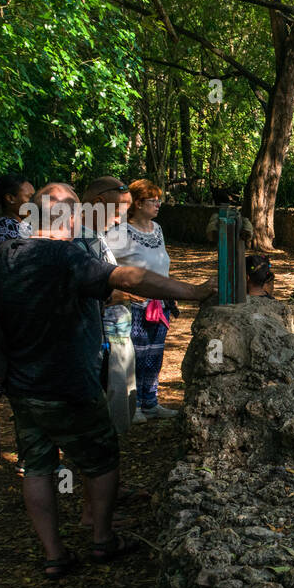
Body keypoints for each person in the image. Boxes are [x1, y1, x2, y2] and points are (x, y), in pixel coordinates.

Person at [0, 183, 214, 579]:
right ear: (70, 217)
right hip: (69, 381)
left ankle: (54, 554)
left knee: (39, 466)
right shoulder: (67, 257)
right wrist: (194, 292)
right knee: (102, 456)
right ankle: (101, 538)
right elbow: (127, 278)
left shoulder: (8, 253)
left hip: (22, 383)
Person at [106, 178, 177, 422]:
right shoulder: (118, 233)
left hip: (160, 303)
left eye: (159, 200)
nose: (158, 204)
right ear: (137, 203)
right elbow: (106, 265)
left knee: (155, 355)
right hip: (134, 305)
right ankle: (133, 406)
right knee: (135, 354)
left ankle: (151, 402)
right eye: (153, 200)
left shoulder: (158, 229)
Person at [78, 177, 140, 437]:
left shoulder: (97, 237)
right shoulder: (76, 241)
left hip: (116, 330)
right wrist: (121, 293)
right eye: (117, 213)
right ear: (99, 203)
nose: (119, 221)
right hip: (98, 338)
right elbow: (85, 291)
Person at [0, 174, 35, 253]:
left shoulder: (21, 224)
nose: (34, 202)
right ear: (10, 198)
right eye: (29, 197)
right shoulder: (6, 225)